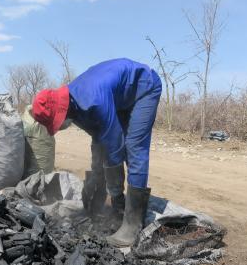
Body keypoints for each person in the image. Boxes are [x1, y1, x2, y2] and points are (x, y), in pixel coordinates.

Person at [31, 58, 162, 247]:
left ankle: (132, 225)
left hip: (144, 89)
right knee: (107, 146)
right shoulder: (74, 105)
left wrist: (115, 195)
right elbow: (98, 141)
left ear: (61, 110)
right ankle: (118, 207)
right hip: (120, 98)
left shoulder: (93, 100)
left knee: (134, 147)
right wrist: (94, 183)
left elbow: (114, 145)